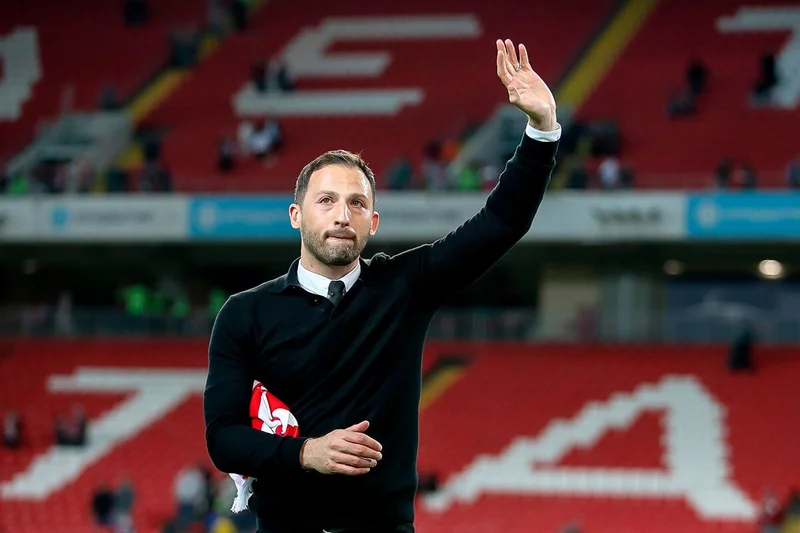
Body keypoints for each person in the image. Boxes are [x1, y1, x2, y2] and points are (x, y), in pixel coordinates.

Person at [203, 38, 560, 533]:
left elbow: (501, 223)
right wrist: (307, 453)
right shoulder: (245, 313)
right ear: (296, 215)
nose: (341, 215)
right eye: (326, 200)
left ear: (372, 223)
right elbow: (223, 439)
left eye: (356, 203)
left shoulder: (405, 285)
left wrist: (542, 130)